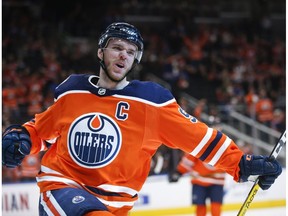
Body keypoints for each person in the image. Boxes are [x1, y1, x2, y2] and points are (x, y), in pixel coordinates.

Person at [2, 22, 282, 216]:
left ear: (135, 61)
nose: (123, 54)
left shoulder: (152, 102)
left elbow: (200, 139)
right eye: (117, 47)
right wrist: (23, 138)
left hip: (115, 206)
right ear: (101, 52)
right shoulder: (73, 90)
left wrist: (242, 163)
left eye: (130, 51)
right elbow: (42, 128)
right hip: (62, 189)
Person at [169, 116, 226, 216]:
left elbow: (231, 160)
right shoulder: (201, 142)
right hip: (199, 181)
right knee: (200, 207)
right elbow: (189, 159)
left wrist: (240, 170)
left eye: (218, 127)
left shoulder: (224, 144)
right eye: (214, 127)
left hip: (217, 181)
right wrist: (179, 172)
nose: (217, 129)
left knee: (215, 207)